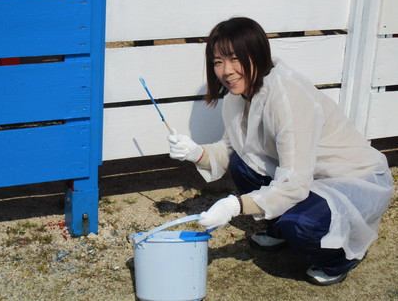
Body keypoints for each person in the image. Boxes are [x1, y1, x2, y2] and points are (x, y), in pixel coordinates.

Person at [167, 17, 393, 286]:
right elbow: (231, 149)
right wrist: (196, 153)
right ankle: (280, 228)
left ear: (258, 54)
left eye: (235, 58)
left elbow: (295, 183)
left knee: (299, 224)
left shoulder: (288, 97)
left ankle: (339, 259)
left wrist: (235, 206)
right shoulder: (238, 95)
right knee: (242, 162)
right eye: (218, 62)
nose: (226, 71)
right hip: (307, 175)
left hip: (351, 178)